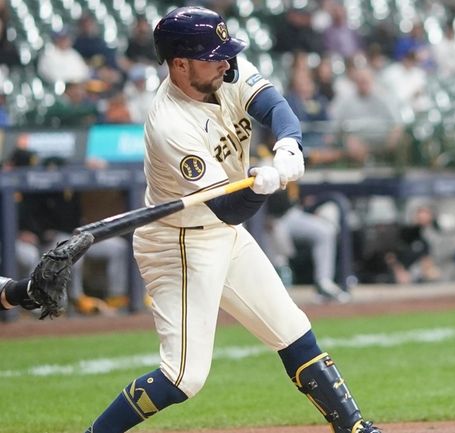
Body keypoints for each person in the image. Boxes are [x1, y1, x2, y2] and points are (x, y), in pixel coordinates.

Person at [82, 7, 381, 433]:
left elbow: (275, 106)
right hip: (179, 243)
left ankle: (353, 428)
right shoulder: (170, 124)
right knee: (183, 378)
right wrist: (265, 185)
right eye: (212, 56)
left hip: (223, 231)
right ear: (179, 63)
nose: (225, 61)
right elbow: (227, 206)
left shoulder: (226, 70)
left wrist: (288, 148)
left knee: (292, 329)